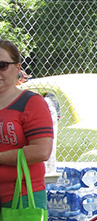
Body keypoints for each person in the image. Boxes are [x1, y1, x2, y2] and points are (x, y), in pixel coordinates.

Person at [0, 39, 54, 213]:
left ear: (17, 67)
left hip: (21, 196)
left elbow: (41, 151)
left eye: (2, 65)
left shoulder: (31, 102)